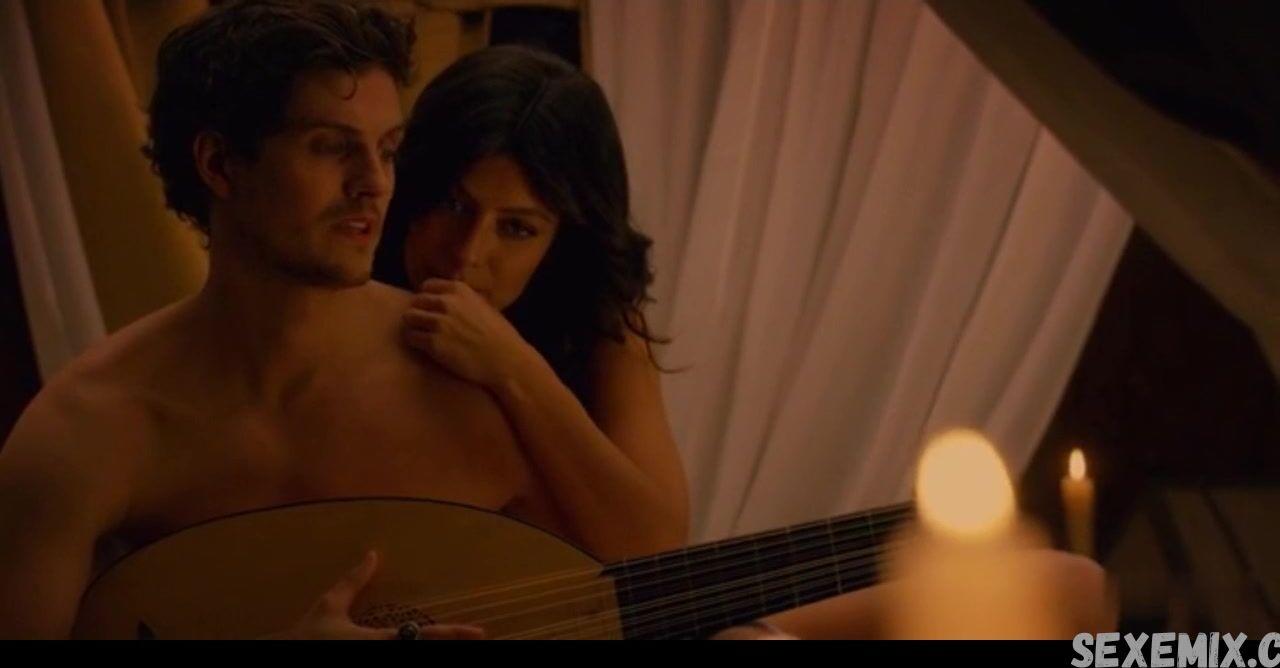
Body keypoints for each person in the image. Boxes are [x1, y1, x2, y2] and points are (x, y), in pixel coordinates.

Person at [374, 45, 1116, 640]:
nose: (468, 253)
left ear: (563, 238)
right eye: (454, 204)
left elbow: (653, 545)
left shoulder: (592, 321)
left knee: (1072, 587)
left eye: (517, 228)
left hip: (631, 614)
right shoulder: (352, 303)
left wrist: (511, 366)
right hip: (518, 620)